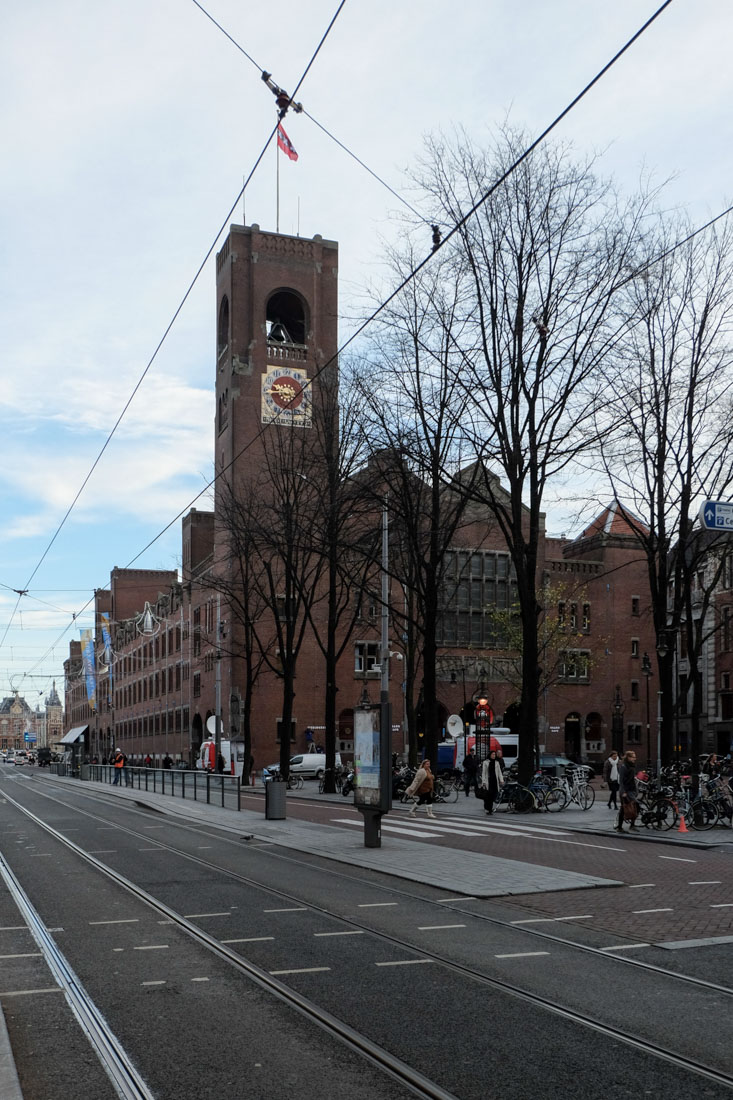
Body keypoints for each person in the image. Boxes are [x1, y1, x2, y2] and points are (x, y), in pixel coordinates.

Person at [616, 749, 639, 831]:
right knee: (624, 808)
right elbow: (621, 780)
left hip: (632, 790)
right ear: (628, 757)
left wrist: (636, 789)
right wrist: (623, 792)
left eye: (635, 757)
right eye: (633, 757)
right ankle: (619, 827)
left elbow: (632, 778)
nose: (634, 759)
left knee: (635, 806)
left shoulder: (632, 766)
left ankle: (632, 825)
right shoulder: (624, 766)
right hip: (625, 790)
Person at [480, 750, 504, 814]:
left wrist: (501, 780)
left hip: (494, 781)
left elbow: (499, 772)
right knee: (488, 796)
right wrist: (484, 782)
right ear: (490, 755)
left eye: (494, 754)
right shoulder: (485, 762)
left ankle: (489, 808)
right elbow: (484, 773)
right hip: (488, 781)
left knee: (493, 796)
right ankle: (488, 809)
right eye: (493, 754)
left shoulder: (497, 763)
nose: (494, 756)